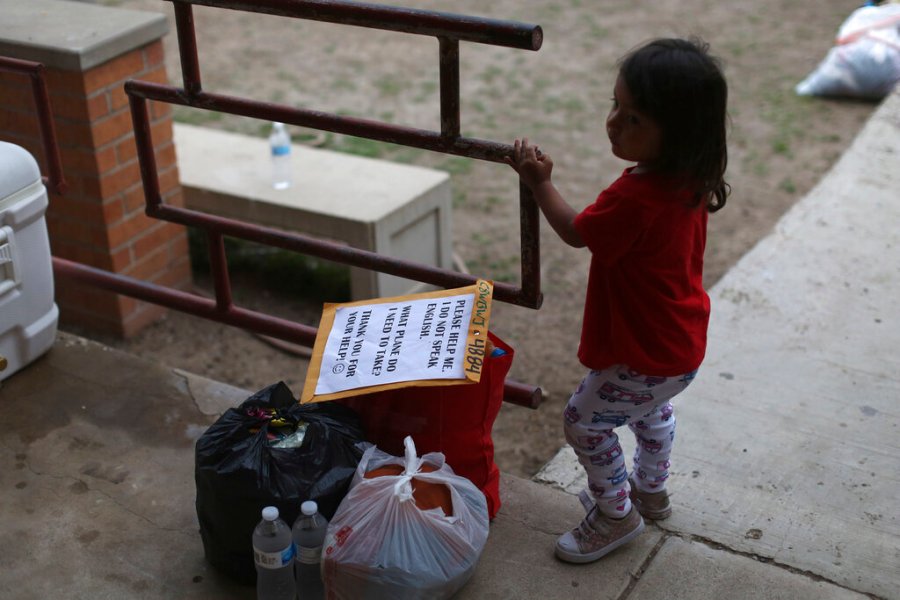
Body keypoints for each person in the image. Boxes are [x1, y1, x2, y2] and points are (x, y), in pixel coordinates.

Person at [505, 37, 729, 564]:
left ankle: (615, 514)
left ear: (678, 133)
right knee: (650, 411)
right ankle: (651, 491)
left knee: (584, 421)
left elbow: (577, 231)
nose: (614, 123)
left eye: (633, 119)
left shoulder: (634, 196)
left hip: (645, 349)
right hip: (679, 344)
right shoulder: (690, 177)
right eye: (616, 107)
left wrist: (540, 183)